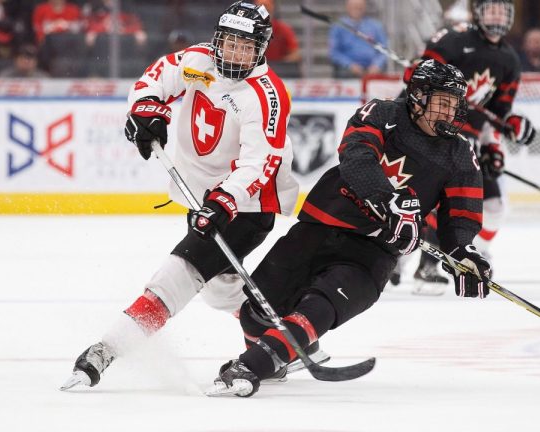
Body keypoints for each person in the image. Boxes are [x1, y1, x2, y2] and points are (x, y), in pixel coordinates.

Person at [60, 1, 321, 391]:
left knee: (179, 274)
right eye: (228, 43)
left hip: (246, 205)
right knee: (219, 292)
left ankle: (104, 351)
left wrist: (225, 200)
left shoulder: (265, 95)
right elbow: (157, 77)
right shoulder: (200, 60)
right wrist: (146, 109)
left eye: (244, 47)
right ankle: (280, 340)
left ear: (262, 49)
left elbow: (259, 163)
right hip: (203, 199)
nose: (233, 53)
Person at [206, 59, 492, 397]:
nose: (450, 113)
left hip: (373, 253)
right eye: (442, 102)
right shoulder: (384, 114)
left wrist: (463, 252)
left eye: (455, 104)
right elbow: (356, 156)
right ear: (417, 97)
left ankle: (253, 364)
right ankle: (283, 352)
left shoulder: (460, 154)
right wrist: (388, 201)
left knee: (320, 306)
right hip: (322, 225)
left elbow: (460, 215)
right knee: (256, 314)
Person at [393, 0, 535, 295]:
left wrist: (493, 144)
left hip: (463, 137)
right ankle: (402, 261)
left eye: (502, 10)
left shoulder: (509, 59)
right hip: (427, 127)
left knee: (494, 207)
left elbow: (497, 114)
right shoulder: (455, 39)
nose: (496, 16)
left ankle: (462, 257)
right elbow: (414, 81)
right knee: (420, 199)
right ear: (478, 12)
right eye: (490, 9)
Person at [328, 0, 388, 78]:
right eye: (354, 5)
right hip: (347, 69)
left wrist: (376, 65)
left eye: (359, 5)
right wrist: (350, 65)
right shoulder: (338, 26)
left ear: (365, 6)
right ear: (347, 7)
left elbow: (384, 50)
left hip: (372, 68)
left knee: (381, 69)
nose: (357, 8)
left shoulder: (376, 26)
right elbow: (334, 52)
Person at [254, 0, 301, 77]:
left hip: (279, 70)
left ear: (272, 10)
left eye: (267, 9)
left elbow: (295, 54)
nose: (264, 13)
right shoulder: (249, 29)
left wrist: (279, 65)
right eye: (261, 10)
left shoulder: (283, 29)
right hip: (256, 68)